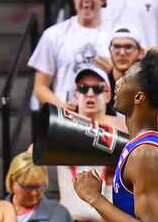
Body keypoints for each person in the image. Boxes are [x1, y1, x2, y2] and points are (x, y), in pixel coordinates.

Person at [73, 50, 158, 221]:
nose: (117, 82)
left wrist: (94, 198)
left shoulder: (146, 153)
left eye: (125, 79)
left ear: (139, 97)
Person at [29, 0, 110, 109]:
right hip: (65, 121)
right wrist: (61, 107)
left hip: (106, 117)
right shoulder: (54, 35)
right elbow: (40, 87)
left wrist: (113, 75)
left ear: (103, 0)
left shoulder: (116, 36)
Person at [58, 66, 125, 221]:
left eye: (97, 89)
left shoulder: (122, 127)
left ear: (108, 94)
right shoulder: (62, 124)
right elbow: (31, 156)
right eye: (83, 88)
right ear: (75, 94)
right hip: (69, 217)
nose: (89, 94)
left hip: (108, 216)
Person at [6, 151, 72, 222]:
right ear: (12, 182)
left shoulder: (59, 215)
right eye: (28, 187)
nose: (34, 193)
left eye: (39, 187)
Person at [106, 25, 144, 114]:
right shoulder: (98, 86)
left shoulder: (150, 87)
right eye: (116, 47)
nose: (122, 53)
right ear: (110, 51)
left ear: (141, 52)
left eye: (128, 47)